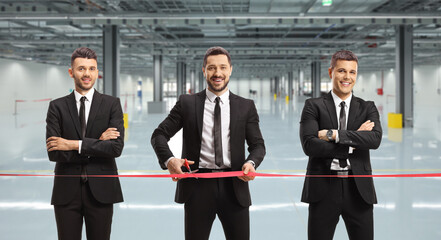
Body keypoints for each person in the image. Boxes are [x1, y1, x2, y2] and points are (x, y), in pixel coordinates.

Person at [151, 46, 265, 240]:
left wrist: (251, 163)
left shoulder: (246, 106)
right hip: (197, 188)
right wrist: (169, 160)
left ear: (230, 69)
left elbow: (258, 145)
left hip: (234, 185)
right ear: (204, 70)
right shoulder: (187, 103)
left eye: (222, 67)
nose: (217, 73)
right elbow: (159, 135)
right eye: (211, 68)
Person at [299, 50, 382, 240]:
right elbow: (310, 145)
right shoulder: (313, 105)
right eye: (342, 71)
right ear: (331, 72)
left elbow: (374, 140)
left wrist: (334, 135)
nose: (347, 77)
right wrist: (354, 142)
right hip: (323, 189)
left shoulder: (367, 107)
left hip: (359, 190)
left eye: (352, 72)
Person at [46, 47, 124, 240]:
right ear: (71, 72)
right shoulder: (57, 107)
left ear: (97, 72)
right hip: (66, 192)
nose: (87, 74)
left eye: (91, 68)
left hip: (102, 191)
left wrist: (73, 144)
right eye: (81, 69)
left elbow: (115, 148)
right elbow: (55, 152)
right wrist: (98, 143)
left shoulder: (111, 104)